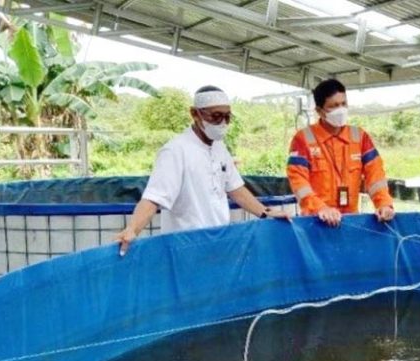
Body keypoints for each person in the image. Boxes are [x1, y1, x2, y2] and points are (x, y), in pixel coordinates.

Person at [116, 86, 290, 254]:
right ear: (195, 114)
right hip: (185, 248)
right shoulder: (175, 151)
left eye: (227, 117)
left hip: (219, 243)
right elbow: (154, 198)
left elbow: (235, 188)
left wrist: (265, 212)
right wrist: (132, 229)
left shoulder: (220, 148)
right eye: (216, 116)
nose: (223, 123)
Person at [287, 79, 395, 227]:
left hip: (351, 222)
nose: (341, 109)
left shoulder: (360, 136)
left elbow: (375, 175)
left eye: (344, 104)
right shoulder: (303, 139)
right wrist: (320, 208)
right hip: (316, 223)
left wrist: (384, 203)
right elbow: (299, 182)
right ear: (319, 111)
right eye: (334, 106)